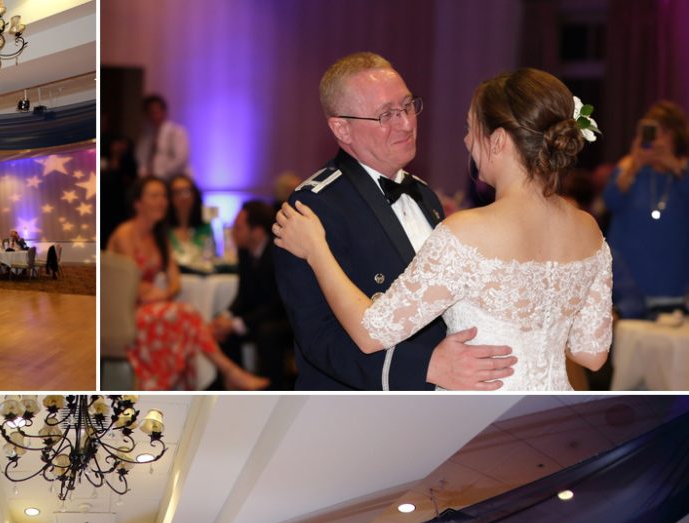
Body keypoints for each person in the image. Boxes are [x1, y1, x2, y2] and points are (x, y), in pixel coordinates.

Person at [275, 63, 611, 391]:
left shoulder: (447, 213)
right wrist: (427, 368)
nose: (407, 122)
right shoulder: (314, 207)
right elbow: (591, 354)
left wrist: (317, 252)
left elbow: (371, 330)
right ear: (342, 129)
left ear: (497, 141)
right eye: (387, 114)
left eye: (408, 106)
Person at [107, 176, 267, 391]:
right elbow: (129, 284)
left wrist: (159, 294)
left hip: (150, 307)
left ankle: (221, 375)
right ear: (137, 203)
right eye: (154, 196)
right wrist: (153, 293)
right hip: (123, 313)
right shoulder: (125, 234)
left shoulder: (159, 238)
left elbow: (175, 283)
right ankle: (229, 372)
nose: (162, 201)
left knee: (186, 316)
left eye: (163, 196)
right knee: (187, 315)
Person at [601, 101, 689, 316]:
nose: (657, 139)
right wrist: (634, 165)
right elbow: (610, 202)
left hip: (672, 282)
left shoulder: (683, 173)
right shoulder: (628, 168)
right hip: (628, 286)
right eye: (652, 132)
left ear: (675, 137)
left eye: (664, 132)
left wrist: (676, 168)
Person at [209, 200, 292, 390]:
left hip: (284, 318)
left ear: (257, 231)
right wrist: (226, 316)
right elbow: (243, 295)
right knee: (222, 329)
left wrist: (239, 323)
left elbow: (278, 303)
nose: (233, 232)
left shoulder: (278, 252)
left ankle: (272, 387)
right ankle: (234, 383)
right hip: (260, 316)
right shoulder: (244, 252)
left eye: (238, 228)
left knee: (267, 332)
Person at [136, 94, 191, 180]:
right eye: (150, 112)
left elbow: (180, 159)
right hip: (151, 179)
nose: (154, 116)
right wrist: (143, 172)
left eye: (156, 111)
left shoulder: (176, 131)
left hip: (172, 179)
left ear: (164, 111)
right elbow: (141, 158)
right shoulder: (146, 135)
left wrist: (159, 173)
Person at [167, 175, 213, 265]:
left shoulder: (206, 227)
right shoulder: (163, 229)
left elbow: (211, 257)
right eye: (177, 193)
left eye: (187, 191)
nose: (183, 197)